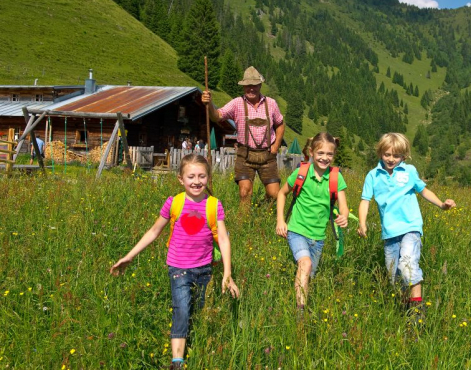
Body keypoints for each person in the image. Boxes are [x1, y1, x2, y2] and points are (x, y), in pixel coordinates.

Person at [110, 154, 239, 369]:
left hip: (204, 269)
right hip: (178, 268)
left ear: (208, 178)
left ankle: (194, 341)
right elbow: (153, 232)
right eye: (191, 176)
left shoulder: (214, 205)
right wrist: (129, 256)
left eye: (202, 176)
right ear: (181, 179)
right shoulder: (174, 203)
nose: (196, 181)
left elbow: (224, 239)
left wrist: (227, 273)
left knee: (197, 309)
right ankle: (177, 361)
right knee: (182, 309)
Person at [357, 133, 455, 323]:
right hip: (389, 233)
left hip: (411, 227)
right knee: (395, 278)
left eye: (396, 155)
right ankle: (406, 311)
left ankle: (418, 314)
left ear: (404, 156)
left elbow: (423, 190)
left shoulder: (409, 171)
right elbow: (365, 201)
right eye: (387, 154)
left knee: (408, 266)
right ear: (380, 153)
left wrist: (442, 205)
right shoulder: (373, 175)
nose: (391, 159)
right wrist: (362, 223)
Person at [276, 132, 348, 315]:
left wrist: (343, 217)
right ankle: (300, 313)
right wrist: (280, 221)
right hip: (296, 230)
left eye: (329, 154)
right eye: (320, 153)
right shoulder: (301, 173)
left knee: (308, 274)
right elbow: (281, 193)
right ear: (311, 152)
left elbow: (344, 207)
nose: (325, 158)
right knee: (305, 264)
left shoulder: (336, 178)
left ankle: (303, 305)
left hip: (319, 237)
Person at [201, 66, 285, 206]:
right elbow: (217, 116)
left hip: (267, 155)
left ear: (260, 85)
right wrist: (209, 104)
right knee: (245, 192)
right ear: (243, 87)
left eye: (254, 85)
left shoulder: (271, 104)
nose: (251, 89)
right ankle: (243, 223)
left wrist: (276, 146)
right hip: (244, 154)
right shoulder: (236, 103)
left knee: (275, 194)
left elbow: (280, 124)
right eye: (247, 86)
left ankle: (260, 208)